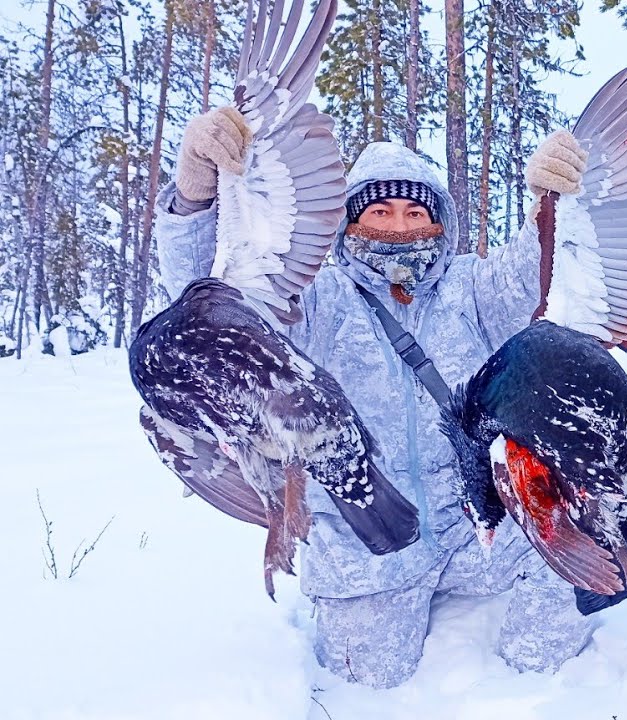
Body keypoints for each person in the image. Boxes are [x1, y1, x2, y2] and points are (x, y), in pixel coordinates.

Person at [153, 105, 597, 687]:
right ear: (347, 222)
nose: (398, 224)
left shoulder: (470, 285)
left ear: (439, 221)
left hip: (478, 526)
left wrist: (547, 199)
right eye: (380, 210)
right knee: (368, 690)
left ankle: (536, 697)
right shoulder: (312, 298)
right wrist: (193, 195)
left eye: (415, 210)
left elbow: (532, 272)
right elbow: (207, 309)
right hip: (365, 548)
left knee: (562, 600)